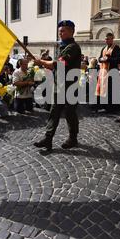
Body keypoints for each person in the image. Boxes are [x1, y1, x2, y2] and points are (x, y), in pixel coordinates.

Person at [33, 20, 82, 152]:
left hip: (69, 87)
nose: (60, 33)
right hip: (59, 86)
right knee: (54, 112)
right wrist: (45, 64)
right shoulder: (62, 46)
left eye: (63, 30)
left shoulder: (73, 47)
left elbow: (59, 64)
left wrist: (42, 61)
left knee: (70, 114)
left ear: (72, 31)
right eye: (59, 30)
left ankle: (73, 138)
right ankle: (48, 139)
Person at [96, 33, 120, 113]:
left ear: (112, 39)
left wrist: (108, 59)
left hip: (113, 72)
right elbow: (99, 58)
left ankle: (114, 108)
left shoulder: (116, 48)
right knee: (105, 90)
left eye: (108, 39)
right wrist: (101, 59)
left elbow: (118, 59)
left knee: (113, 91)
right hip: (104, 72)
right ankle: (105, 106)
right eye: (106, 39)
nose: (106, 40)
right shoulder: (104, 48)